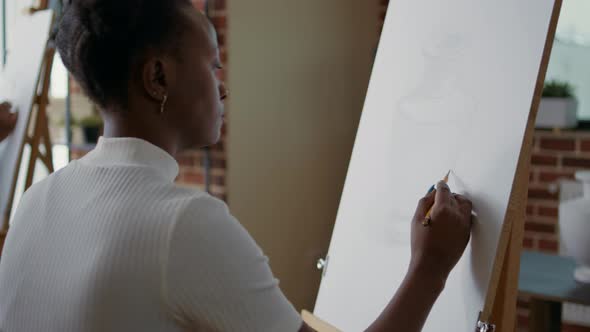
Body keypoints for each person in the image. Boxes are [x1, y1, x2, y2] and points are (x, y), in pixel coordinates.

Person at [0, 1, 473, 331]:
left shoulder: (36, 199)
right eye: (213, 66)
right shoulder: (183, 224)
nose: (223, 89)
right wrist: (429, 269)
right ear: (158, 77)